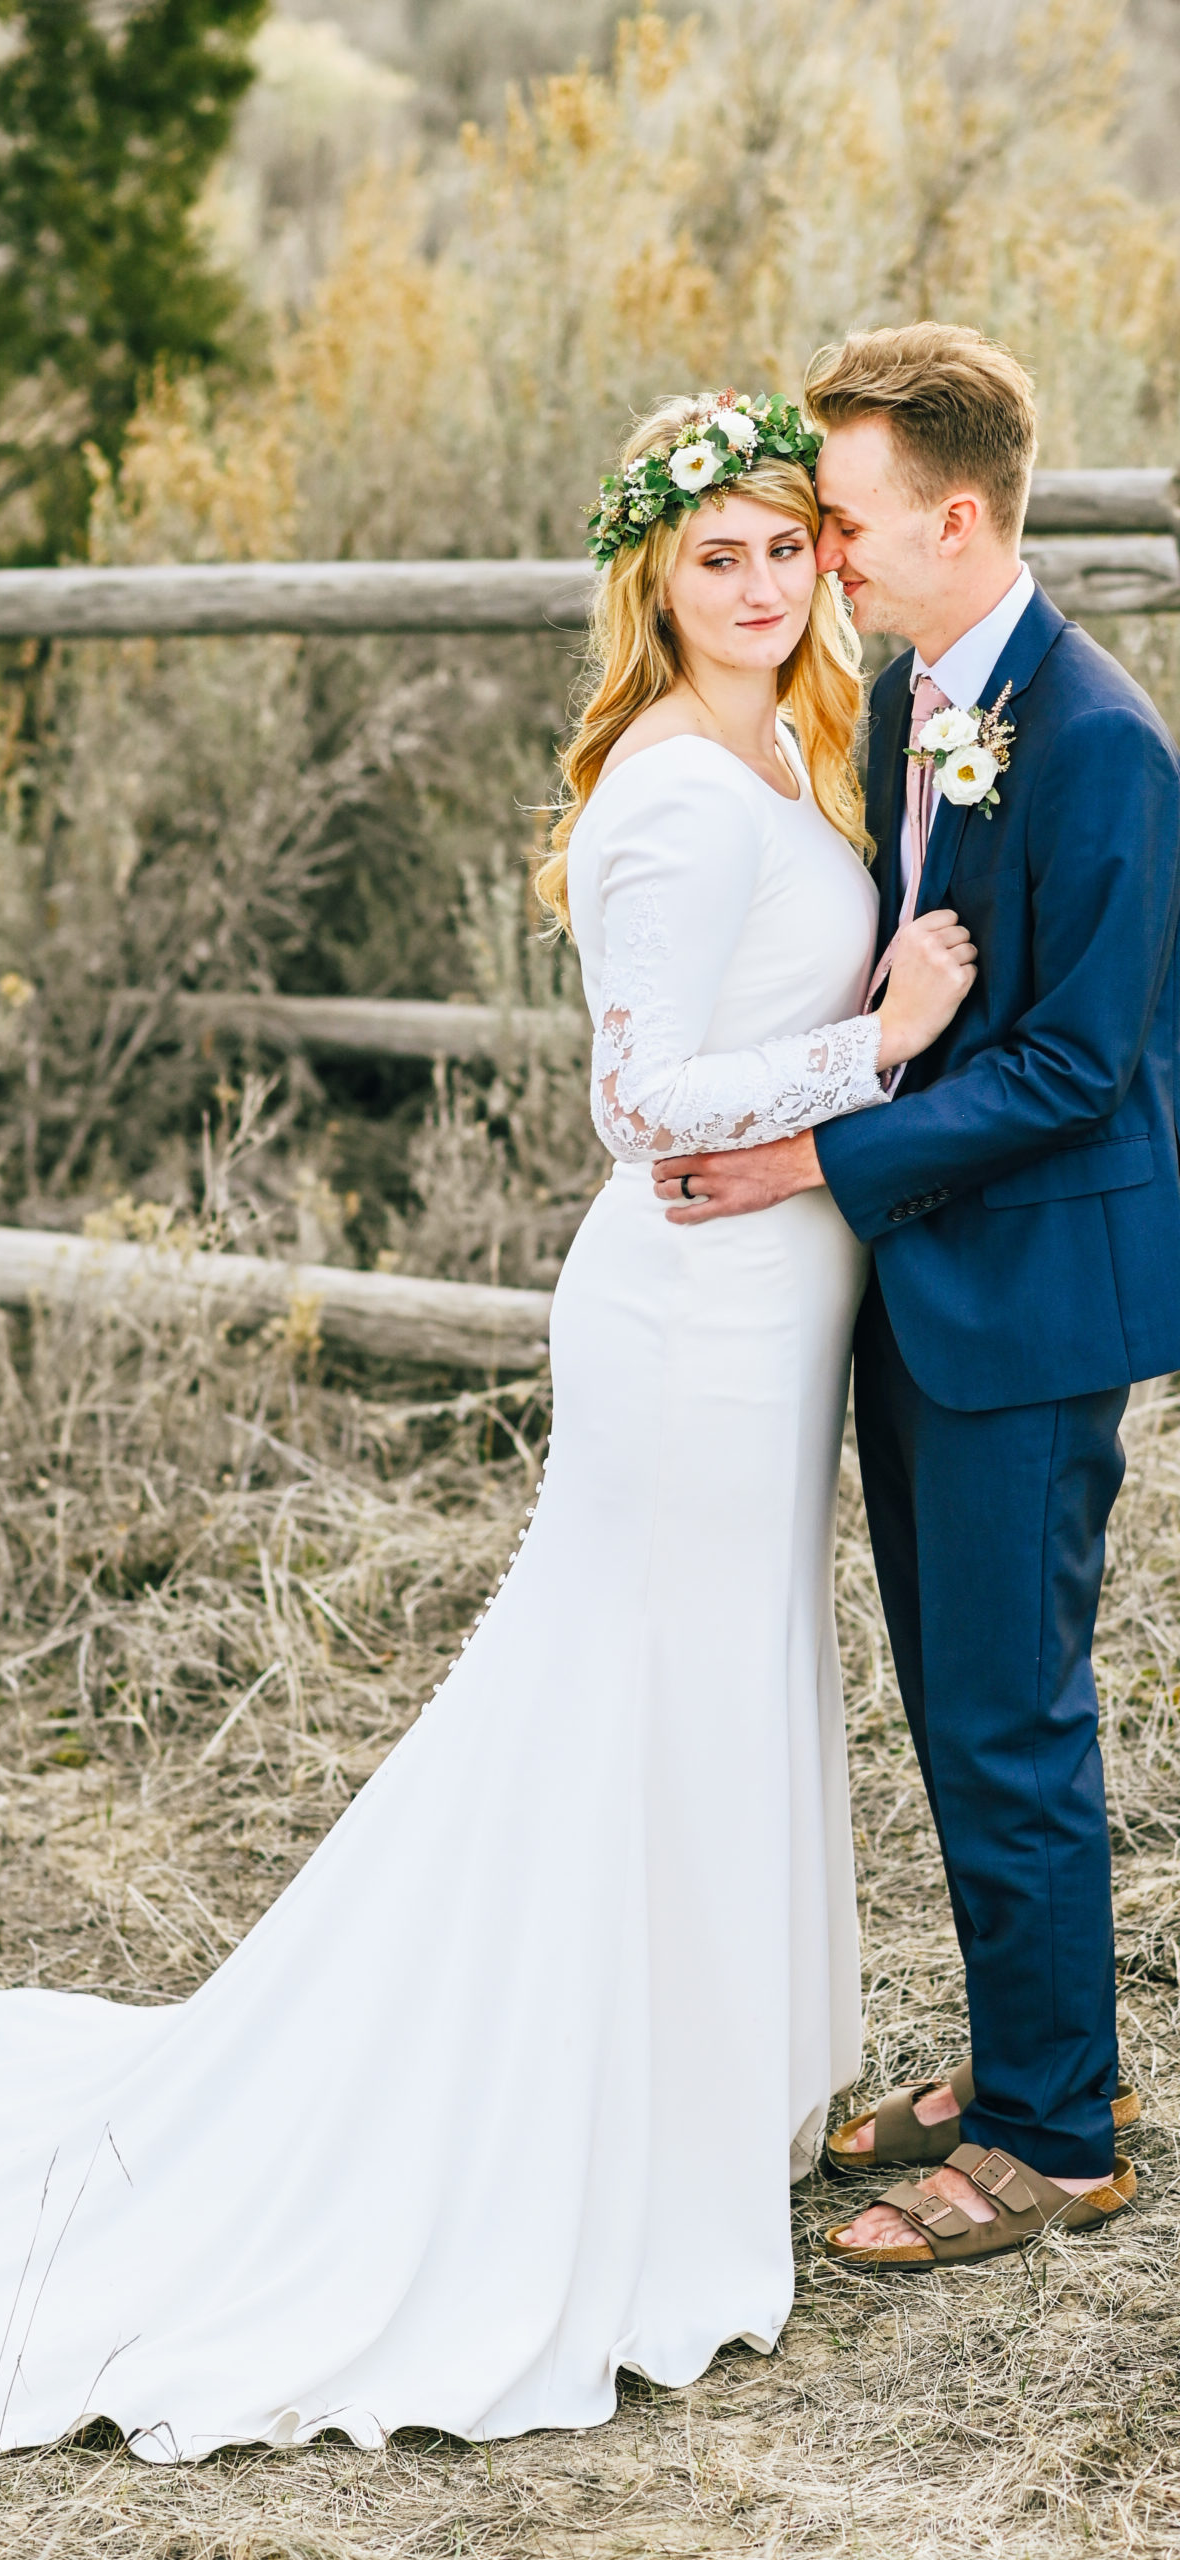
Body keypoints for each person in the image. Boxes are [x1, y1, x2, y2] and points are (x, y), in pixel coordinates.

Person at [0, 392, 981, 2459]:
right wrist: (873, 1045)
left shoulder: (784, 741)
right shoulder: (671, 795)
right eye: (718, 556)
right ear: (654, 578)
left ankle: (710, 2096)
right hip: (691, 1320)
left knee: (715, 1692)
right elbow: (637, 1106)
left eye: (788, 546)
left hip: (768, 1313)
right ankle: (578, 2142)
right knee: (634, 1704)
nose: (766, 583)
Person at [653, 324, 1180, 2270]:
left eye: (849, 524)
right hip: (929, 1292)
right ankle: (1026, 2051)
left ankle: (1058, 2129)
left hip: (1031, 1312)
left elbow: (1079, 1068)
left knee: (1010, 1716)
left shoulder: (1111, 744)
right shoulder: (915, 705)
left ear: (958, 516)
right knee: (960, 1711)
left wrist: (803, 1158)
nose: (824, 557)